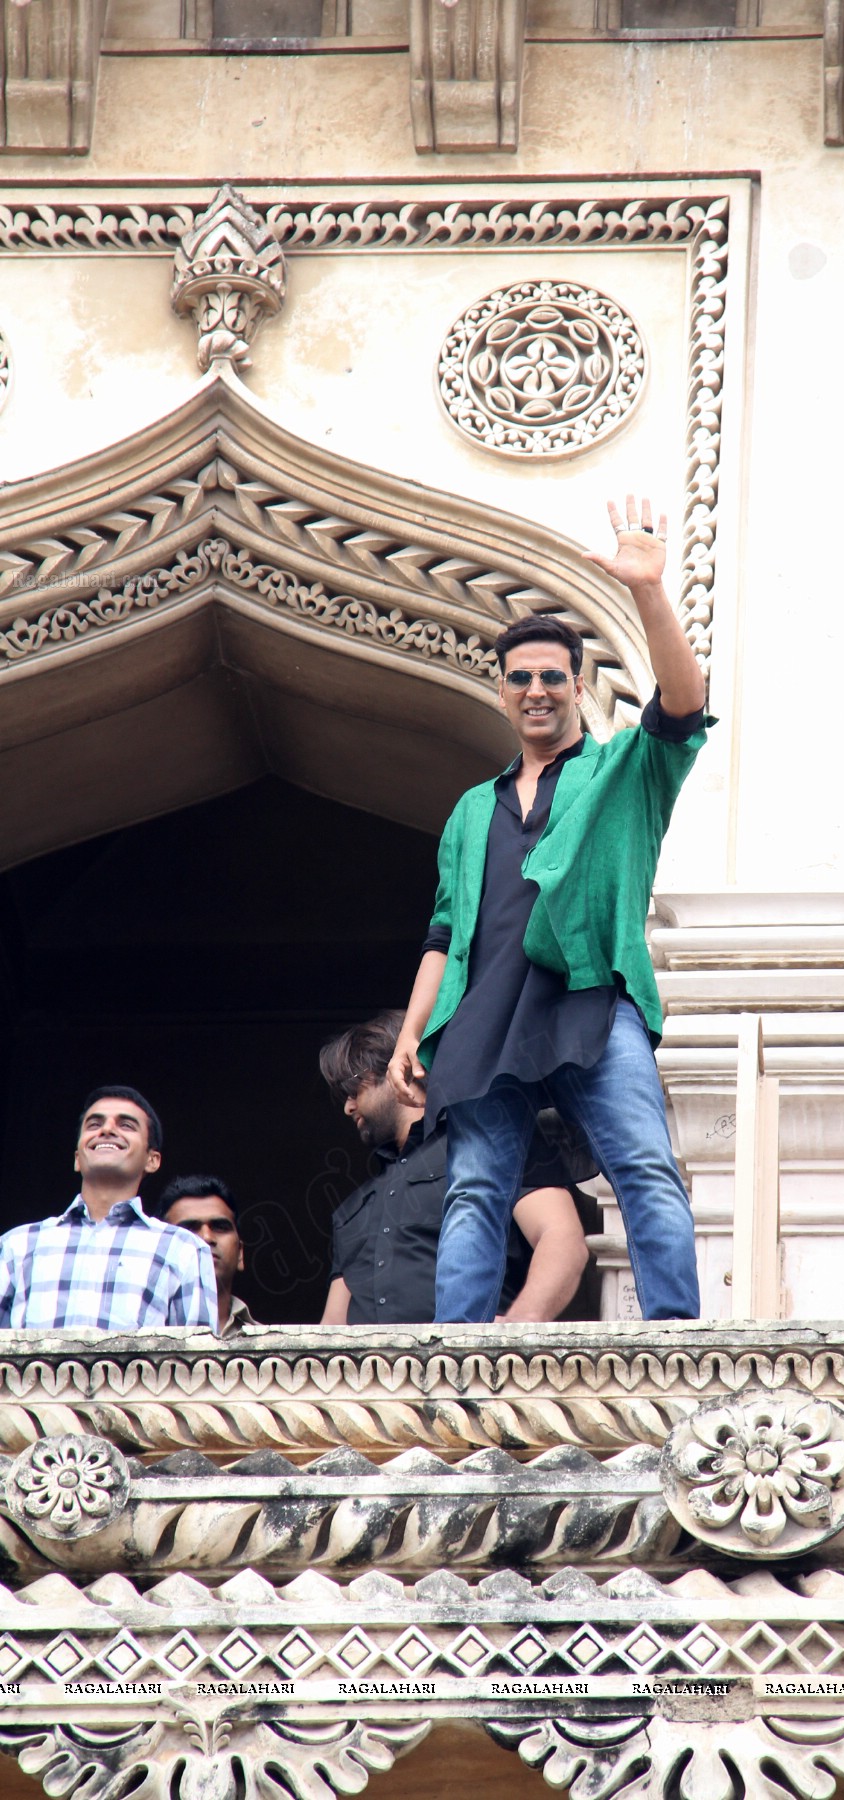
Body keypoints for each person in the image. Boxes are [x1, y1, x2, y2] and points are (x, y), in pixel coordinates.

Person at [388, 497, 711, 1323]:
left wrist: (647, 591)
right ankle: (454, 1356)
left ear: (576, 688)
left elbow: (681, 702)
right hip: (485, 1014)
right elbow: (444, 934)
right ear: (502, 692)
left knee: (643, 1164)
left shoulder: (623, 771)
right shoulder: (470, 809)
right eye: (521, 678)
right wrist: (410, 1034)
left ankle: (677, 1340)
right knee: (475, 1188)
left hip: (591, 999)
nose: (537, 691)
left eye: (553, 678)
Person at [319, 1011, 590, 1325]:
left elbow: (561, 1237)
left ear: (399, 1070)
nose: (348, 1106)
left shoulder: (490, 1146)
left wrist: (520, 1325)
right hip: (368, 1372)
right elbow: (333, 1323)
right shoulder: (351, 1209)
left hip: (477, 1365)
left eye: (354, 1090)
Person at [0, 1087, 218, 1331]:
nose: (107, 1129)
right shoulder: (16, 1246)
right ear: (77, 1159)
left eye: (126, 1125)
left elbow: (197, 1364)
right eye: (94, 1124)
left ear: (152, 1160)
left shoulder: (183, 1249)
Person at [159, 1175, 254, 1336]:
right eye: (189, 1229)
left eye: (220, 1227)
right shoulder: (136, 1331)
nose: (206, 1238)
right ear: (159, 1251)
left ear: (240, 1253)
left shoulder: (272, 1348)